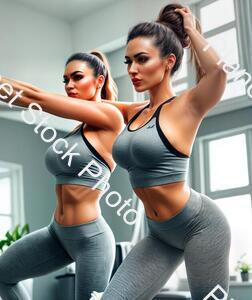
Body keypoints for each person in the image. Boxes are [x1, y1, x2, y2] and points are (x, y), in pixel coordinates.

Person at [0, 50, 124, 300]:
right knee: (1, 273)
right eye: (65, 80)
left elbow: (36, 97)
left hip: (91, 240)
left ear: (99, 81)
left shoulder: (110, 117)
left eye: (77, 77)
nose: (69, 85)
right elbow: (32, 91)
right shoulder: (79, 128)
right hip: (57, 233)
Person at [95, 3, 231, 300]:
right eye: (128, 61)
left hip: (201, 227)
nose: (131, 69)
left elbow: (218, 72)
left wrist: (192, 30)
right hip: (159, 235)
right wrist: (5, 90)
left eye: (142, 59)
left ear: (169, 62)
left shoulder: (188, 105)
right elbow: (78, 106)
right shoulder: (134, 111)